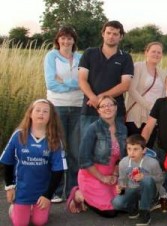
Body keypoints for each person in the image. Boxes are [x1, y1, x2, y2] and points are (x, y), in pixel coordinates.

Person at [1, 99, 67, 226]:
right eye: (37, 110)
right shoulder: (19, 135)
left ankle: (38, 209)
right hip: (22, 190)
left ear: (51, 117)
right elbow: (7, 162)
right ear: (30, 113)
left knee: (39, 221)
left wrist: (48, 195)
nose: (41, 113)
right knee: (20, 223)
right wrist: (9, 187)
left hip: (42, 191)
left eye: (45, 111)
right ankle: (15, 209)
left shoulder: (55, 139)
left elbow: (58, 170)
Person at [68, 96, 127, 218]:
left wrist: (115, 174)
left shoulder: (123, 128)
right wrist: (102, 178)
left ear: (116, 108)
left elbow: (123, 157)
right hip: (92, 174)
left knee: (122, 206)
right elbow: (84, 159)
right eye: (103, 106)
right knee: (110, 212)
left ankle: (89, 196)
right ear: (98, 110)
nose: (107, 108)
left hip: (112, 175)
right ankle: (79, 194)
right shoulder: (93, 129)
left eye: (110, 105)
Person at [43, 26, 82, 203]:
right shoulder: (51, 56)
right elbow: (51, 83)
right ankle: (56, 191)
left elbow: (84, 82)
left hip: (77, 107)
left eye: (69, 38)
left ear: (74, 40)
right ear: (57, 40)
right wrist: (74, 83)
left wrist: (65, 81)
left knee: (75, 150)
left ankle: (73, 190)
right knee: (58, 149)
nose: (66, 41)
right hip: (57, 106)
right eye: (62, 38)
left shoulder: (80, 58)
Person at [78, 20, 133, 133]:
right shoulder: (89, 53)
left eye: (115, 34)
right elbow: (82, 79)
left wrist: (100, 99)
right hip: (90, 110)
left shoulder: (126, 58)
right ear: (103, 34)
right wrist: (93, 98)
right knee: (87, 147)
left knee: (114, 148)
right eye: (108, 33)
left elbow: (125, 85)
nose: (111, 36)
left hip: (115, 113)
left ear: (121, 37)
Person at [112, 134, 163, 225]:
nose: (131, 153)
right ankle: (134, 209)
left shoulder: (152, 163)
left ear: (144, 150)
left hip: (149, 191)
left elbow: (161, 178)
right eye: (129, 149)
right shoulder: (123, 162)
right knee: (116, 202)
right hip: (132, 189)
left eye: (135, 149)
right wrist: (121, 187)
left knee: (146, 180)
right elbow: (122, 180)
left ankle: (144, 213)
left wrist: (145, 177)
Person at [125, 42, 166, 148]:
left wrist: (158, 112)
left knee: (148, 148)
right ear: (146, 53)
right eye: (153, 51)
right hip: (136, 116)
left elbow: (162, 95)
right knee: (134, 148)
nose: (156, 54)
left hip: (152, 118)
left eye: (159, 52)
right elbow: (132, 90)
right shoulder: (137, 67)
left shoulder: (163, 73)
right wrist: (150, 107)